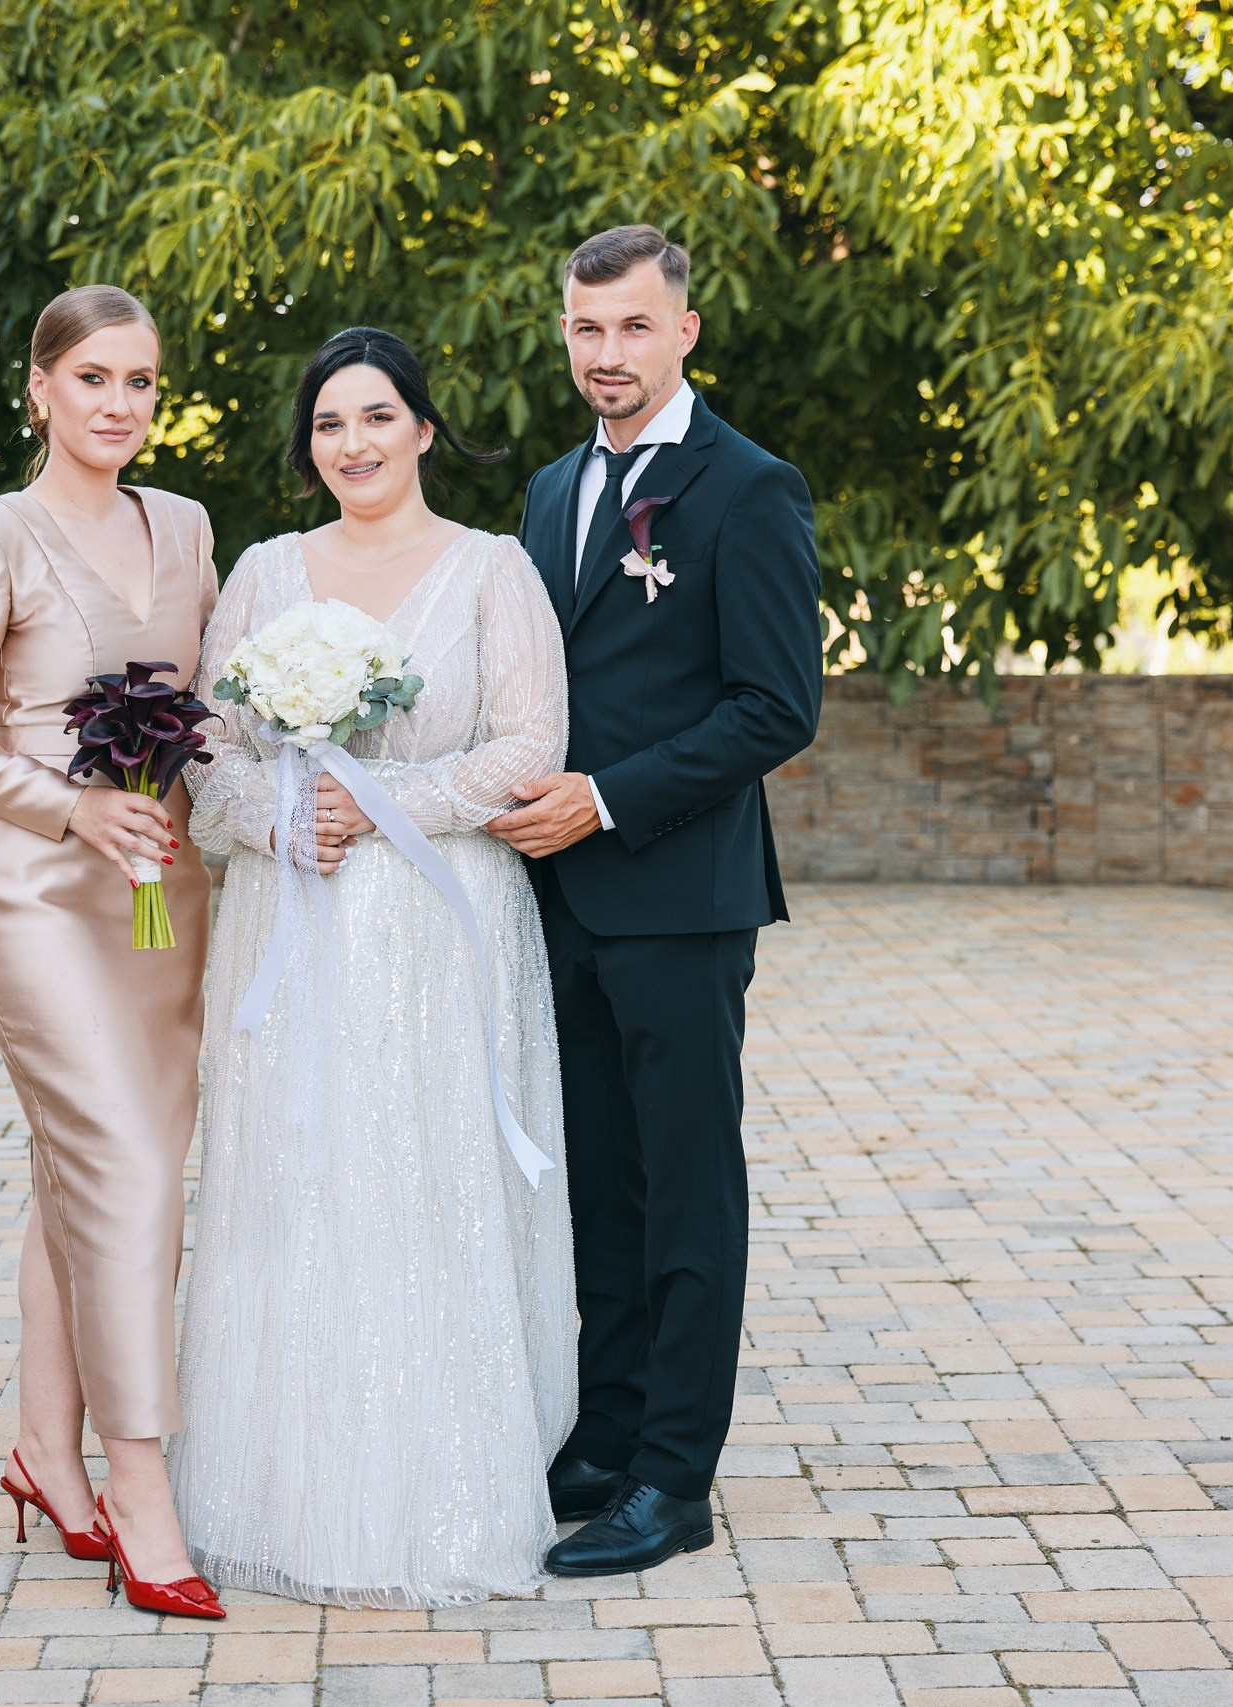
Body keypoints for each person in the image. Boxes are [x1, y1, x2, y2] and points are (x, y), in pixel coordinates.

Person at [173, 327, 578, 1606]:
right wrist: (285, 815)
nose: (352, 443)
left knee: (430, 1178)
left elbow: (531, 744)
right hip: (296, 914)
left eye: (376, 416)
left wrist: (380, 798)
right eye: (329, 424)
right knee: (300, 1185)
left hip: (439, 920)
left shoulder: (491, 571)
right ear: (311, 447)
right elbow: (204, 744)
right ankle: (289, 1493)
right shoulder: (264, 572)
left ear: (421, 427)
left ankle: (443, 1497)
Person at [489, 225, 825, 1574]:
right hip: (556, 899)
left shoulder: (747, 487)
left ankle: (675, 1477)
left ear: (684, 329)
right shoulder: (548, 486)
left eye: (632, 327)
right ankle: (608, 1431)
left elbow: (775, 706)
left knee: (687, 1187)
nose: (607, 355)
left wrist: (607, 796)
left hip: (679, 894)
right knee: (598, 1186)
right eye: (586, 329)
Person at [0, 285, 223, 1619]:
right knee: (132, 1169)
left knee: (77, 1177)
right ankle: (140, 1484)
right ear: (40, 388)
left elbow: (214, 699)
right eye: (93, 378)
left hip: (165, 897)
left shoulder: (189, 526)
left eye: (140, 381)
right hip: (40, 895)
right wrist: (68, 798)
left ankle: (44, 1450)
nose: (118, 405)